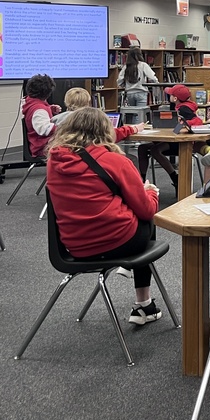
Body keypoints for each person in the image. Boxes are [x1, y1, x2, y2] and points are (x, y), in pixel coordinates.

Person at [46, 107, 165, 325]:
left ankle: (136, 286)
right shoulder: (115, 161)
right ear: (105, 131)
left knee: (131, 210)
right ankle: (143, 304)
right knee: (147, 219)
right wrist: (151, 192)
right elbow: (146, 210)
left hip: (74, 247)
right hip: (116, 241)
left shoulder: (54, 162)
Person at [136, 83, 201, 187]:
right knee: (142, 148)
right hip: (172, 140)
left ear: (175, 98)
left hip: (180, 143)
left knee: (155, 150)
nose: (168, 96)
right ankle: (141, 179)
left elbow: (188, 124)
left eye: (170, 95)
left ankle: (175, 177)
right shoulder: (181, 106)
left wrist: (176, 128)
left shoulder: (184, 109)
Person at [52, 87, 153, 141]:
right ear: (88, 102)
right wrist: (134, 128)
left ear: (66, 102)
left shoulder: (56, 119)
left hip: (65, 158)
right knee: (129, 158)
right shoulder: (92, 118)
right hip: (90, 157)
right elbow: (110, 135)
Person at [23, 74, 60, 159]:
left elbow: (37, 116)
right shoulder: (39, 110)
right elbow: (45, 129)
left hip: (44, 144)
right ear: (48, 93)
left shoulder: (31, 103)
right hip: (43, 147)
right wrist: (65, 128)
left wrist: (49, 109)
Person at [118, 48, 159, 124]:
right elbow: (152, 77)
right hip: (141, 92)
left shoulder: (126, 67)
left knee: (132, 113)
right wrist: (156, 83)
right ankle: (138, 130)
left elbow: (119, 81)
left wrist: (124, 84)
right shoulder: (143, 65)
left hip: (130, 93)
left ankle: (131, 129)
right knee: (139, 114)